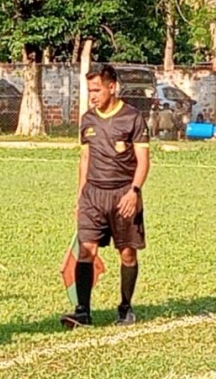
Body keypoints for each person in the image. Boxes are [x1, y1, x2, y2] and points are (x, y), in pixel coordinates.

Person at [61, 64, 150, 329]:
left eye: (97, 89)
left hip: (123, 193)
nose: (93, 96)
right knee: (85, 251)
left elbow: (144, 161)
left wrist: (134, 192)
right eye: (90, 91)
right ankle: (82, 311)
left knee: (127, 255)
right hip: (93, 196)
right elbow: (85, 158)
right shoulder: (88, 119)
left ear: (113, 87)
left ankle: (125, 307)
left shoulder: (132, 118)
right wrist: (80, 197)